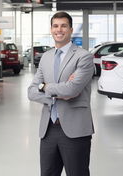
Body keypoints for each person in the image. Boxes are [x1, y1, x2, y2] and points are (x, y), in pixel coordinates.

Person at [28, 11, 94, 176]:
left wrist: (45, 87)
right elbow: (31, 91)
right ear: (51, 29)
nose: (59, 30)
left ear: (71, 30)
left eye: (64, 26)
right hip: (48, 129)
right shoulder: (46, 57)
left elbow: (72, 89)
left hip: (75, 129)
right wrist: (57, 91)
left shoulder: (83, 57)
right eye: (55, 26)